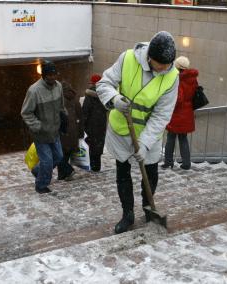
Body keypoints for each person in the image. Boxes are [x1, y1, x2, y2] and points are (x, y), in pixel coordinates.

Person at [96, 31, 179, 234]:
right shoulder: (127, 59)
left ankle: (148, 208)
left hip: (148, 134)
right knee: (122, 173)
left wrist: (145, 143)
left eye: (167, 66)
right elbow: (104, 83)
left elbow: (161, 115)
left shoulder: (172, 77)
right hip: (121, 129)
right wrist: (115, 99)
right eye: (159, 65)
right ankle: (127, 214)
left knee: (150, 174)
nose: (163, 70)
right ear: (149, 57)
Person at [21, 61, 66, 194]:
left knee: (58, 157)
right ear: (44, 76)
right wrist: (38, 126)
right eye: (49, 75)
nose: (52, 77)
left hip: (55, 131)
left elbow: (61, 106)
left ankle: (37, 171)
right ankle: (41, 185)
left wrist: (64, 119)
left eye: (54, 75)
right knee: (47, 161)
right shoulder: (34, 90)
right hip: (40, 134)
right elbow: (25, 112)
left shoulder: (58, 86)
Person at [162, 56, 198, 170]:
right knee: (183, 139)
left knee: (170, 138)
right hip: (187, 113)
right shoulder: (192, 79)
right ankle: (186, 163)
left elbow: (178, 99)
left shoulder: (178, 79)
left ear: (177, 67)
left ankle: (168, 162)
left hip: (177, 113)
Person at [58, 82, 84, 180]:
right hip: (73, 130)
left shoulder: (59, 100)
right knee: (66, 153)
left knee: (60, 154)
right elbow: (81, 117)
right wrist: (80, 132)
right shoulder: (75, 100)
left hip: (63, 130)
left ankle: (65, 173)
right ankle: (63, 174)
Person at [82, 74, 107, 172]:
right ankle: (97, 166)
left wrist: (82, 124)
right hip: (101, 124)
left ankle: (92, 166)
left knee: (91, 145)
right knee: (98, 145)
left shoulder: (89, 95)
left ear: (93, 83)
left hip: (91, 125)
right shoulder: (105, 94)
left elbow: (85, 110)